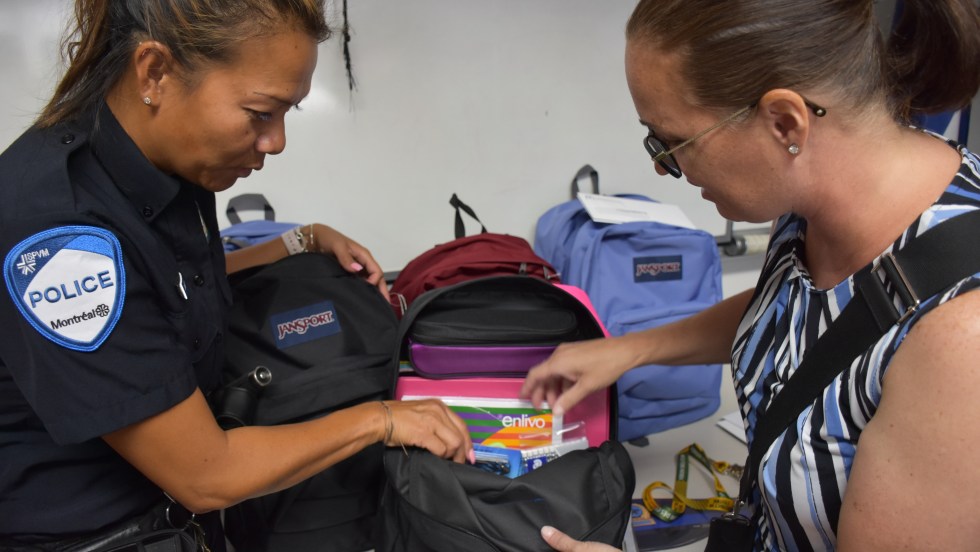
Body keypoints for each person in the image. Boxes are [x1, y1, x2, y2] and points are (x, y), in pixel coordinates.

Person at [0, 1, 472, 549]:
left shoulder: (168, 165)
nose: (276, 142)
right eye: (259, 112)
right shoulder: (56, 232)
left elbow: (163, 287)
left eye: (287, 114)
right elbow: (207, 475)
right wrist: (382, 419)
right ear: (155, 71)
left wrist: (302, 241)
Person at [521, 0, 980, 550]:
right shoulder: (810, 195)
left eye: (672, 142)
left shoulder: (959, 342)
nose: (662, 166)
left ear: (785, 122)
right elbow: (806, 316)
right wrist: (631, 349)